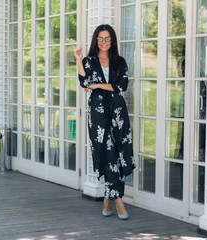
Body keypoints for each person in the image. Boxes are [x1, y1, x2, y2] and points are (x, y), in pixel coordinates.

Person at [74, 24, 135, 220]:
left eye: (107, 38)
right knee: (108, 150)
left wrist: (99, 85)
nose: (103, 42)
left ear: (112, 40)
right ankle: (118, 201)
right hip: (98, 111)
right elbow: (84, 82)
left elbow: (121, 86)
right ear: (95, 40)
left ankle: (108, 198)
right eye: (100, 38)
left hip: (118, 110)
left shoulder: (120, 62)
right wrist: (77, 60)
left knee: (119, 151)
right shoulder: (88, 61)